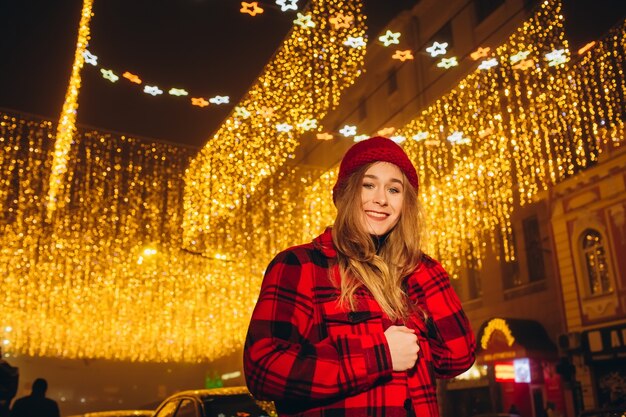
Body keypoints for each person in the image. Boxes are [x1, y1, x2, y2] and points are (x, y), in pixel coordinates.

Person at [243, 136, 476, 417]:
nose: (381, 199)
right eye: (369, 185)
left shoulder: (414, 274)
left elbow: (457, 357)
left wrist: (418, 262)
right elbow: (264, 369)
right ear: (345, 193)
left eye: (394, 189)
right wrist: (379, 355)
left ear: (405, 204)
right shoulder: (302, 265)